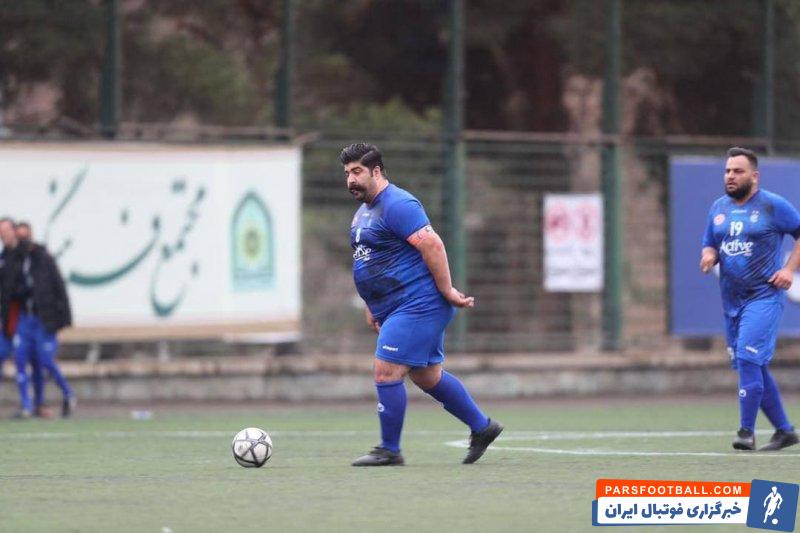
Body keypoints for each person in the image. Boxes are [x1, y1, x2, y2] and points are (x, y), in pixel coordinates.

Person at [342, 143, 503, 466]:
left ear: (376, 171)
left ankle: (389, 450)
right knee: (427, 376)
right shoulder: (363, 213)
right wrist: (371, 304)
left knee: (386, 371)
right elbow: (368, 260)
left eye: (357, 171)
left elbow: (432, 244)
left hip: (419, 303)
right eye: (347, 173)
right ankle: (482, 427)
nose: (351, 180)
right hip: (394, 307)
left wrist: (448, 290)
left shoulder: (398, 204)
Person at [700, 147, 800, 451]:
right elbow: (710, 242)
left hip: (764, 296)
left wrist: (788, 269)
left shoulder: (772, 205)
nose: (730, 176)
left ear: (754, 176)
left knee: (747, 357)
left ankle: (746, 432)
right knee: (753, 366)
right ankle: (785, 431)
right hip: (732, 301)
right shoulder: (719, 208)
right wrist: (709, 255)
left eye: (738, 171)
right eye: (728, 171)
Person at [3, 219, 76, 418]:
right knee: (20, 359)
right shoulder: (13, 259)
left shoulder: (42, 258)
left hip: (43, 319)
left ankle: (67, 393)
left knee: (44, 360)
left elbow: (58, 287)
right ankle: (27, 406)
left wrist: (63, 317)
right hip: (24, 319)